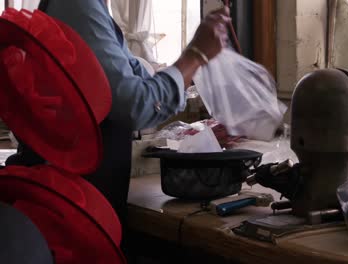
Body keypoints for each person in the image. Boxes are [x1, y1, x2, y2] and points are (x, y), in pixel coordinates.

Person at [33, 0, 231, 222]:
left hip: (83, 197)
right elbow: (135, 105)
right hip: (73, 209)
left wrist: (192, 66)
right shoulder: (77, 5)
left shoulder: (92, 8)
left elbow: (141, 84)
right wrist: (195, 55)